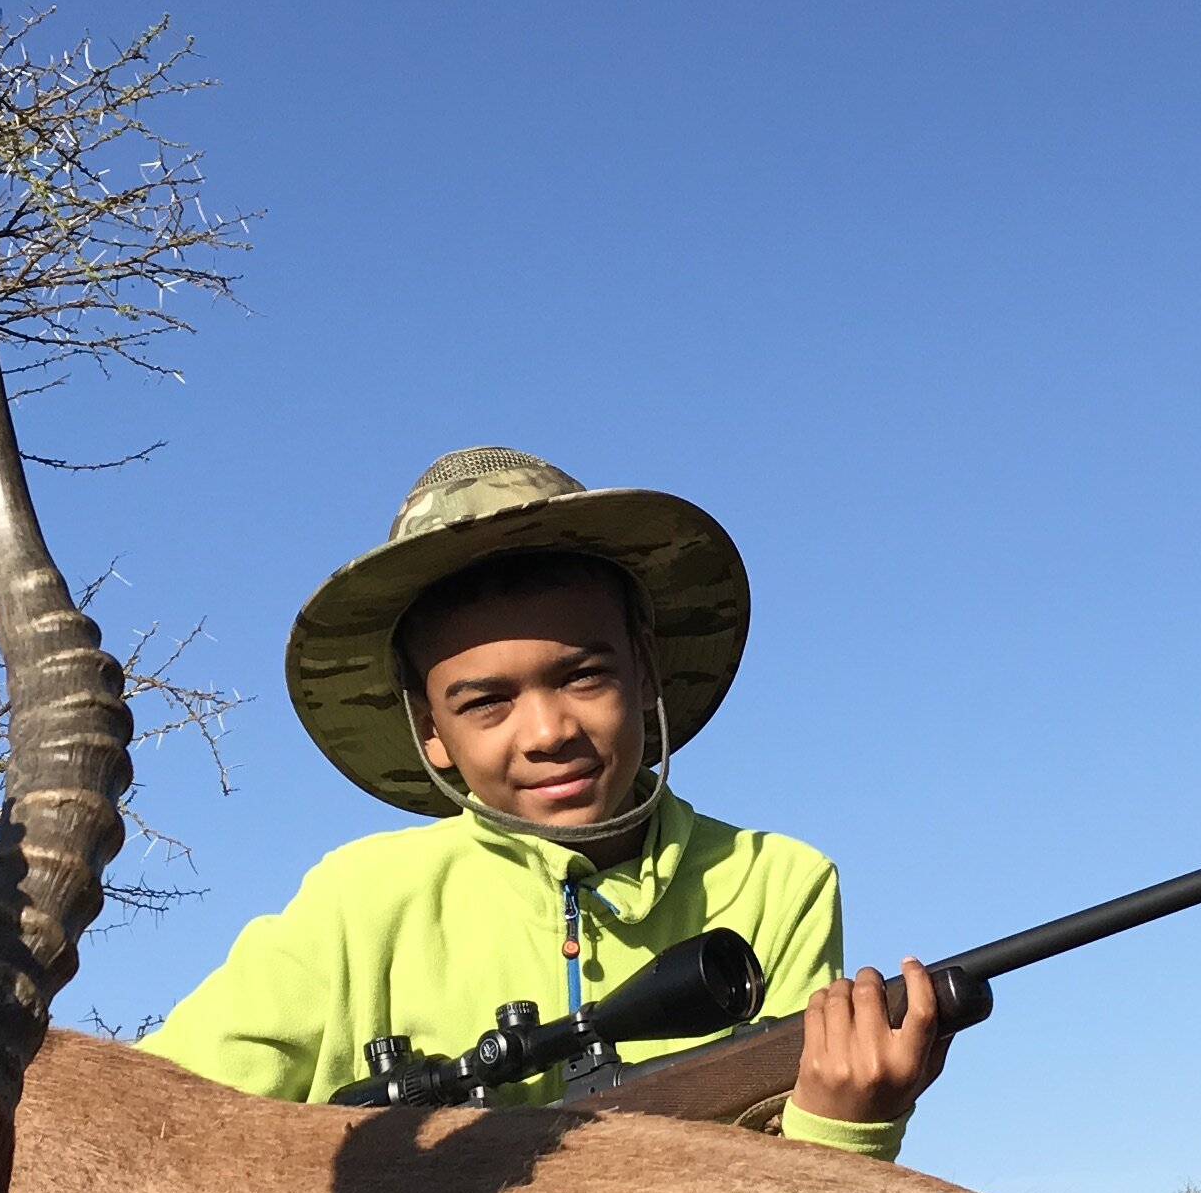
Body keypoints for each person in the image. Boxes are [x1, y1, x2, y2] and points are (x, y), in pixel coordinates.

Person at [143, 446, 950, 1155]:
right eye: (486, 703)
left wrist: (847, 1121)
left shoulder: (779, 881)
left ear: (645, 669)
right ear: (430, 730)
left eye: (583, 675)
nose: (547, 731)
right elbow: (150, 1115)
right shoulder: (355, 906)